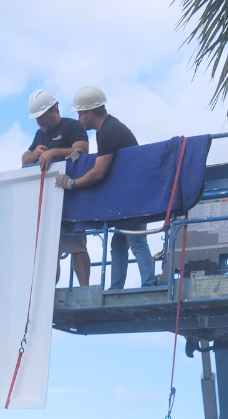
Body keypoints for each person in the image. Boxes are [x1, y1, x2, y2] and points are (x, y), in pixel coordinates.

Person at [57, 85, 155, 289]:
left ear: (89, 113)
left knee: (136, 240)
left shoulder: (109, 131)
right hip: (129, 196)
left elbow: (99, 172)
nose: (79, 119)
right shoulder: (107, 129)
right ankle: (117, 287)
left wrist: (73, 183)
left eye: (80, 113)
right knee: (119, 243)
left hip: (133, 198)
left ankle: (149, 284)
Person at [21, 89, 92, 287]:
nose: (39, 122)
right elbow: (24, 160)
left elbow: (82, 149)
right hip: (49, 201)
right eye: (36, 117)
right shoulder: (40, 135)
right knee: (50, 249)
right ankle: (48, 291)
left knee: (76, 244)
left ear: (54, 110)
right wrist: (36, 153)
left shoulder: (72, 126)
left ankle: (84, 288)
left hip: (72, 196)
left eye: (41, 116)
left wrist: (54, 153)